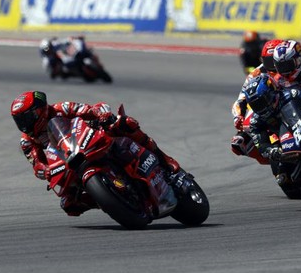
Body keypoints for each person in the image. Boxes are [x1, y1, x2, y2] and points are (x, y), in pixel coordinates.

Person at [10, 90, 180, 216]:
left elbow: (89, 110)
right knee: (69, 205)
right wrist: (44, 171)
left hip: (90, 138)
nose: (24, 124)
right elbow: (37, 164)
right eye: (19, 120)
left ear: (40, 110)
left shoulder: (62, 108)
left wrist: (102, 114)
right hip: (68, 163)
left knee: (125, 124)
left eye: (27, 117)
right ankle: (110, 200)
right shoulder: (27, 141)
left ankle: (164, 159)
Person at [231, 39, 283, 159]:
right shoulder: (256, 73)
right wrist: (238, 117)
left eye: (276, 60)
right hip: (270, 109)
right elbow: (240, 100)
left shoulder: (292, 66)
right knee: (239, 141)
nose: (274, 65)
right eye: (270, 61)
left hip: (294, 103)